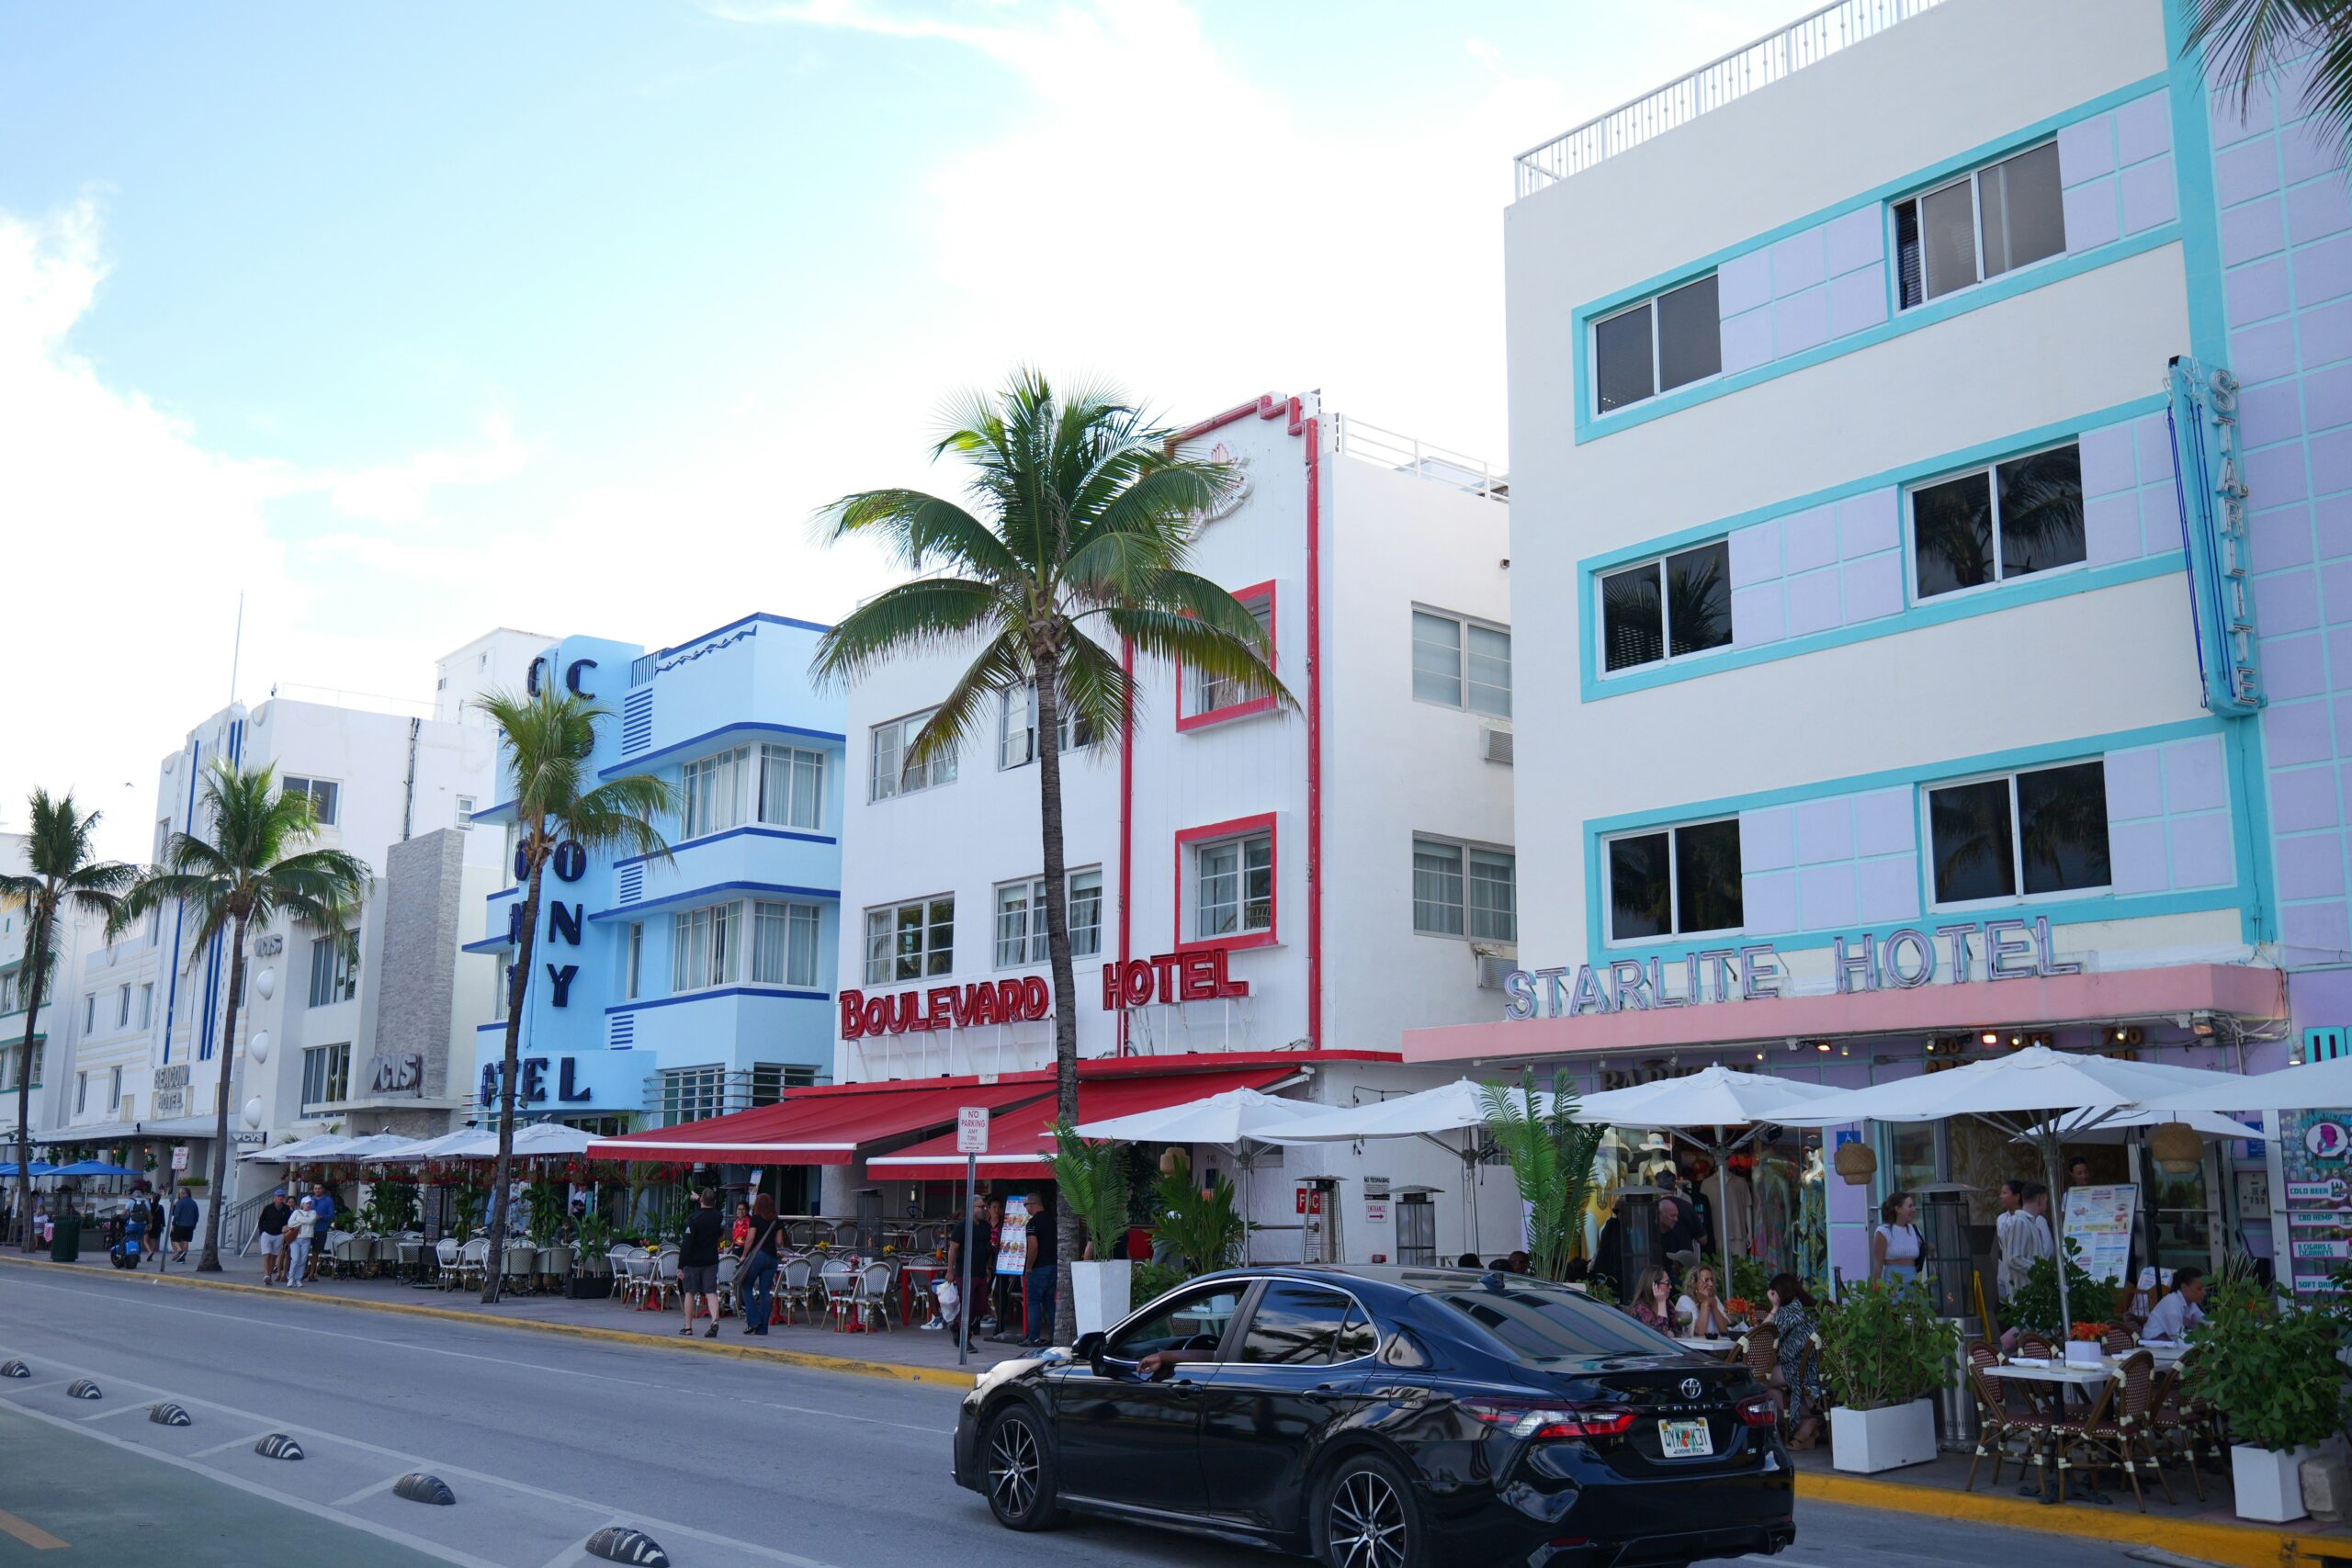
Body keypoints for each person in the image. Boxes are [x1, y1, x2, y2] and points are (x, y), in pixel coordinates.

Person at [1765, 1273, 1825, 1449]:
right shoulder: (1811, 1306)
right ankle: (1808, 1427)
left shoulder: (1786, 1312)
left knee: (1758, 1378)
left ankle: (1805, 1422)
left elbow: (1762, 1336)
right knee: (1772, 1384)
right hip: (1820, 1366)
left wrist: (1774, 1308)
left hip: (1800, 1369)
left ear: (1776, 1293)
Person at [678, 1188, 725, 1338]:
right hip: (711, 1260)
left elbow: (687, 1244)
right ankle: (714, 1320)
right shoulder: (718, 1217)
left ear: (701, 1202)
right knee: (711, 1292)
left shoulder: (694, 1219)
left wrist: (680, 1265)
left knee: (690, 1293)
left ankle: (688, 1326)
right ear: (714, 1202)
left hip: (693, 1262)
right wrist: (701, 1199)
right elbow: (712, 1209)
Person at [1996, 1182, 2053, 1302]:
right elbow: (2014, 1258)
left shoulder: (2030, 1222)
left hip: (2032, 1293)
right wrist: (2041, 1270)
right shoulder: (2019, 1222)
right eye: (2046, 1201)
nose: (2046, 1206)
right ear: (2040, 1200)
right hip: (2024, 1295)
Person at [737, 1194, 782, 1337]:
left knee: (746, 1285)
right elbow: (779, 1242)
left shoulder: (755, 1219)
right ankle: (763, 1329)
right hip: (772, 1258)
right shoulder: (776, 1220)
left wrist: (743, 1256)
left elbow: (750, 1239)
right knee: (765, 1292)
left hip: (758, 1256)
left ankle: (754, 1320)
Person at [1020, 1190, 1057, 1348]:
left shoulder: (1033, 1223)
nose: (1025, 1208)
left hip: (1039, 1267)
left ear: (1032, 1204)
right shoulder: (1052, 1220)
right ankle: (1054, 1336)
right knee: (1049, 1302)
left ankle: (1033, 1338)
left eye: (1026, 1205)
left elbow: (1033, 1247)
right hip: (1053, 1266)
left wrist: (1029, 1267)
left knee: (1033, 1302)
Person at [2141, 1268, 2207, 1343]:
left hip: (2168, 1343)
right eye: (2199, 1289)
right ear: (2184, 1288)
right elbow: (2179, 1337)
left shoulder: (2191, 1304)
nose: (2204, 1293)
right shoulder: (2172, 1302)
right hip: (2153, 1345)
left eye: (2204, 1289)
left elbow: (2205, 1322)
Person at [1871, 1191, 1923, 1284]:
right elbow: (1878, 1266)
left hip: (1913, 1281)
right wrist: (1877, 1290)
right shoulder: (1883, 1231)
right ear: (1898, 1208)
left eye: (1914, 1206)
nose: (1914, 1209)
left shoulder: (1915, 1230)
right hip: (1893, 1283)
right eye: (1910, 1206)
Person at [1678, 1262, 1737, 1337]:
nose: (1711, 1284)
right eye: (1706, 1280)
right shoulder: (1685, 1300)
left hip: (1717, 1347)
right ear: (1694, 1284)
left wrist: (1714, 1308)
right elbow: (1699, 1332)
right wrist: (1705, 1303)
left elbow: (1726, 1330)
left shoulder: (1714, 1298)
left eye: (1712, 1280)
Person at [1628, 1266, 1677, 1330]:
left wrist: (1671, 1332)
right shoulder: (1639, 1309)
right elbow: (1659, 1335)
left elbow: (1679, 1329)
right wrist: (1661, 1303)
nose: (1670, 1286)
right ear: (1654, 1285)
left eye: (1670, 1283)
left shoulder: (1668, 1306)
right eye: (1667, 1283)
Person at [257, 1190, 290, 1284]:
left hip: (279, 1234)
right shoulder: (268, 1208)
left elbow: (288, 1221)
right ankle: (266, 1275)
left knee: (273, 1256)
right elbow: (261, 1220)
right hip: (267, 1233)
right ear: (275, 1197)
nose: (280, 1198)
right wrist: (261, 1232)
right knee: (267, 1254)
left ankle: (270, 1276)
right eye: (278, 1196)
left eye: (282, 1196)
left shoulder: (286, 1208)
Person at [284, 1197, 317, 1289]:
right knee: (295, 1259)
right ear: (302, 1204)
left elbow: (311, 1221)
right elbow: (290, 1223)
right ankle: (291, 1278)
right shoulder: (296, 1212)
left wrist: (299, 1219)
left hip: (307, 1239)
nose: (308, 1205)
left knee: (303, 1260)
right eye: (307, 1203)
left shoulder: (313, 1212)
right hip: (295, 1239)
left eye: (310, 1203)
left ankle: (298, 1279)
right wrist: (303, 1219)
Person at [308, 1183, 336, 1280]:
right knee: (304, 1252)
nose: (317, 1190)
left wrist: (321, 1217)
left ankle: (312, 1273)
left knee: (316, 1252)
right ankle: (303, 1272)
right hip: (308, 1229)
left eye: (319, 1188)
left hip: (321, 1229)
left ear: (323, 1189)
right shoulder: (309, 1200)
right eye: (315, 1188)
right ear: (313, 1190)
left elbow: (331, 1215)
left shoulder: (328, 1200)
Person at [168, 1189, 198, 1263]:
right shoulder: (193, 1203)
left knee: (174, 1238)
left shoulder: (180, 1202)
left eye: (180, 1193)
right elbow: (197, 1215)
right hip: (190, 1225)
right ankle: (182, 1259)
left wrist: (173, 1223)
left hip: (180, 1224)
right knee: (186, 1241)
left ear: (184, 1193)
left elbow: (176, 1214)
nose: (179, 1195)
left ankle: (179, 1250)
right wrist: (194, 1224)